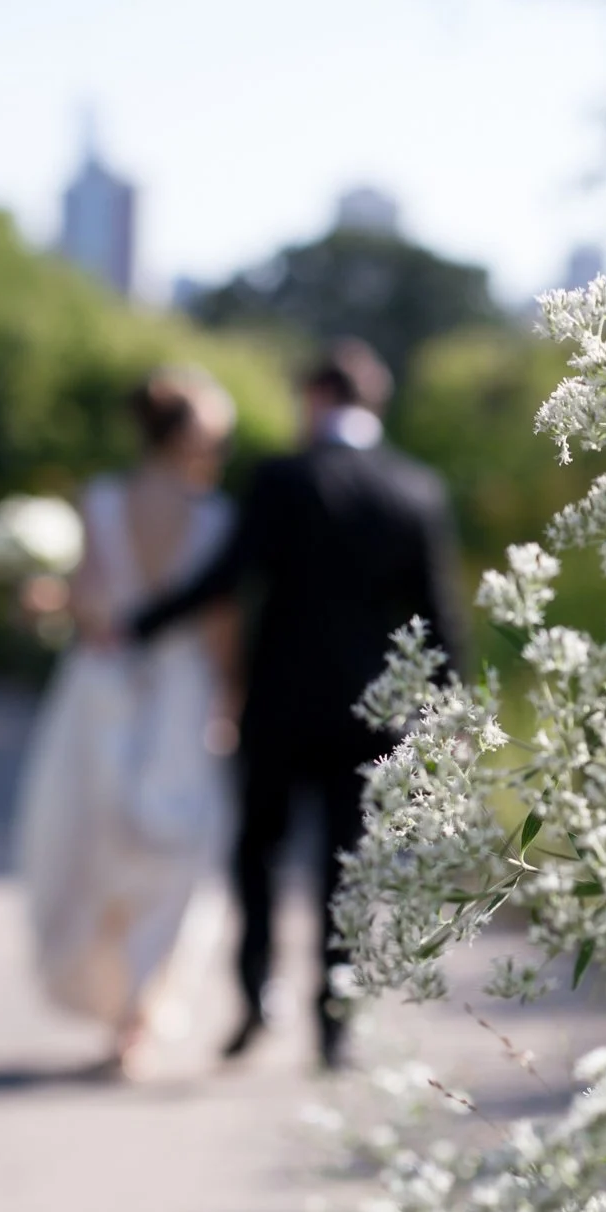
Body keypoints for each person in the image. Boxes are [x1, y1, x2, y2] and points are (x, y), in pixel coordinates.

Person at [129, 340, 465, 1069]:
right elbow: (442, 620)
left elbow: (226, 576)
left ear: (314, 397)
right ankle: (333, 1024)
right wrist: (453, 718)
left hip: (280, 705)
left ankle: (254, 993)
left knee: (259, 853)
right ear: (372, 402)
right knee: (349, 867)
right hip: (373, 715)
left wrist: (140, 625)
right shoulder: (415, 489)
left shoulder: (282, 478)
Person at [13, 365, 240, 1075]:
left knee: (97, 838)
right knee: (176, 849)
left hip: (103, 685)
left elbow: (87, 599)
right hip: (180, 688)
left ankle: (120, 1013)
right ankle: (140, 1008)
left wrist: (42, 598)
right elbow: (219, 622)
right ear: (193, 434)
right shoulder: (216, 517)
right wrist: (230, 695)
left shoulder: (103, 499)